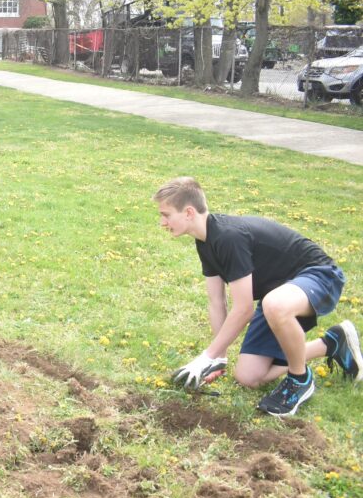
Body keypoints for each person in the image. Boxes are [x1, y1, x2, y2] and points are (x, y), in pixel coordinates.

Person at [154, 177, 361, 417]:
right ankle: (332, 343)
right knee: (248, 376)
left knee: (274, 304)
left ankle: (300, 379)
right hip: (279, 295)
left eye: (166, 214)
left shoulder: (228, 237)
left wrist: (205, 355)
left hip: (319, 275)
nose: (162, 222)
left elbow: (243, 309)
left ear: (189, 212)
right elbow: (217, 302)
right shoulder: (205, 243)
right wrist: (218, 357)